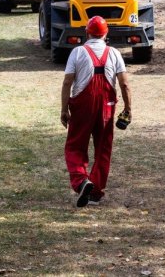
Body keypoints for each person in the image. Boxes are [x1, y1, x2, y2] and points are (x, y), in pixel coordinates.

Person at [61, 16, 132, 207]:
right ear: (106, 33)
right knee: (103, 148)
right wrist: (128, 108)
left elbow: (68, 82)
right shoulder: (114, 53)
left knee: (75, 145)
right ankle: (96, 192)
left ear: (87, 32)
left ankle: (82, 181)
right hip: (107, 105)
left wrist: (64, 108)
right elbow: (124, 84)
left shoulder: (77, 52)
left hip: (82, 105)